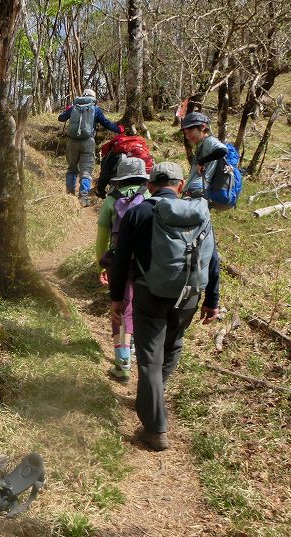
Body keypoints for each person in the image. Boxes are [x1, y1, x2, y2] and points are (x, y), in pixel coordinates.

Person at [107, 162, 220, 451]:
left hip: (151, 295)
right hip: (190, 295)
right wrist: (212, 301)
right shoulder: (200, 213)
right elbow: (212, 259)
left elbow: (120, 260)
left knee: (149, 358)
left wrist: (117, 297)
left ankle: (155, 429)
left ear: (150, 185)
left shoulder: (138, 212)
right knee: (174, 344)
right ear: (180, 186)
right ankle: (152, 395)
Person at [96, 156, 150, 382]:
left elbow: (102, 237)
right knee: (137, 306)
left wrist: (102, 265)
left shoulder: (110, 200)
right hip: (147, 262)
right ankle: (134, 347)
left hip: (120, 261)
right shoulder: (149, 196)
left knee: (120, 309)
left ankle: (122, 363)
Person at [57, 87, 124, 206]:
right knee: (86, 170)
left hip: (72, 142)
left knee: (72, 168)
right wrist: (118, 129)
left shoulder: (73, 108)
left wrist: (67, 112)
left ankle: (69, 195)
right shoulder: (95, 109)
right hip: (88, 142)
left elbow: (61, 118)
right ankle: (83, 198)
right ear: (94, 98)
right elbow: (106, 123)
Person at [180, 112, 228, 200]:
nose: (188, 136)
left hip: (198, 189)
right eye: (186, 133)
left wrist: (202, 161)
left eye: (190, 131)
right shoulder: (201, 144)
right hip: (195, 188)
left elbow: (223, 150)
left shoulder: (209, 141)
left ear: (202, 127)